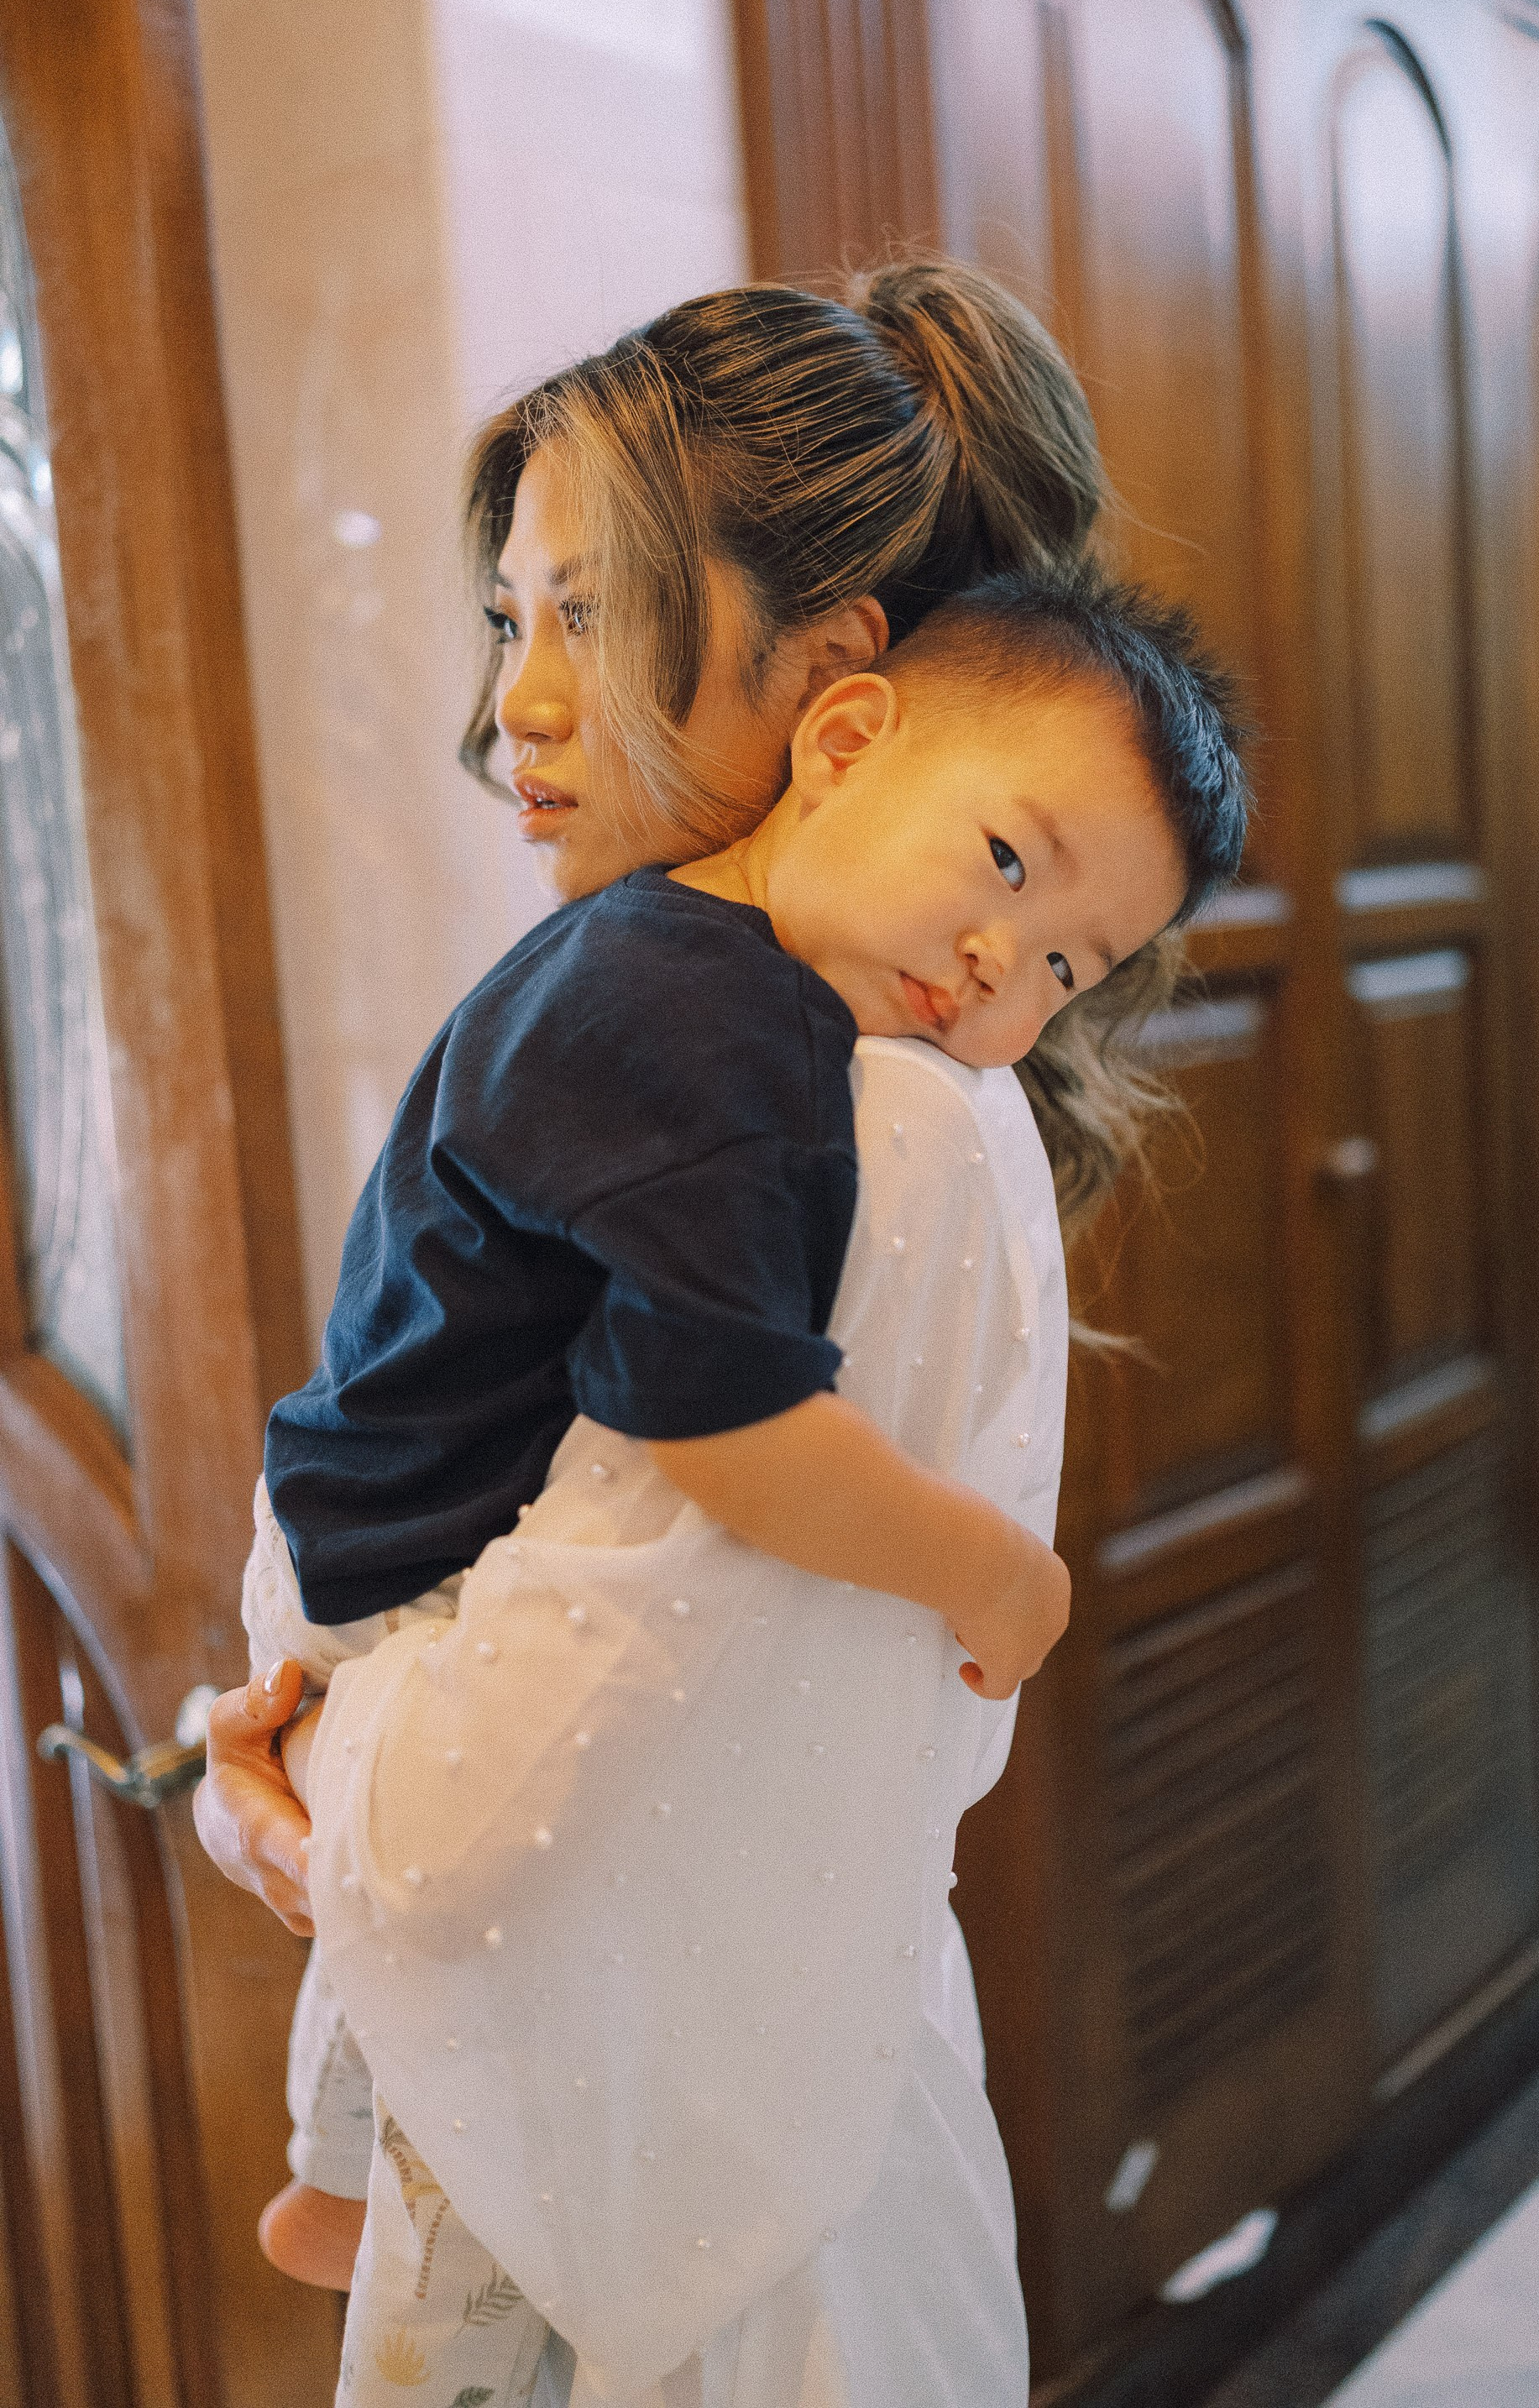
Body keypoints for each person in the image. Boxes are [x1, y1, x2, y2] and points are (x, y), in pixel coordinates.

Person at [186, 260, 1235, 2402]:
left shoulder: (876, 1120)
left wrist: (306, 1795)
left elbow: (524, 1798)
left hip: (696, 2180)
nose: (516, 710)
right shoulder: (726, 1029)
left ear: (835, 679)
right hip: (656, 2099)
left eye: (587, 608)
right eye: (510, 618)